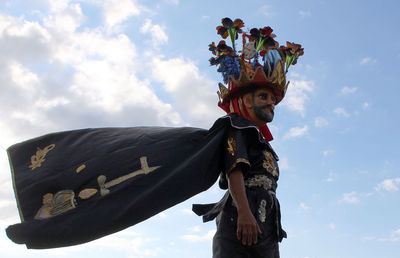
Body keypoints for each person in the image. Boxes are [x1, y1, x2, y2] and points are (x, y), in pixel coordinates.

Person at [192, 18, 304, 258]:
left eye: (272, 99)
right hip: (243, 214)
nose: (271, 103)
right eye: (264, 96)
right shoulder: (239, 127)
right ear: (246, 100)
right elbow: (235, 169)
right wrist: (243, 211)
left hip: (264, 217)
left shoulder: (262, 141)